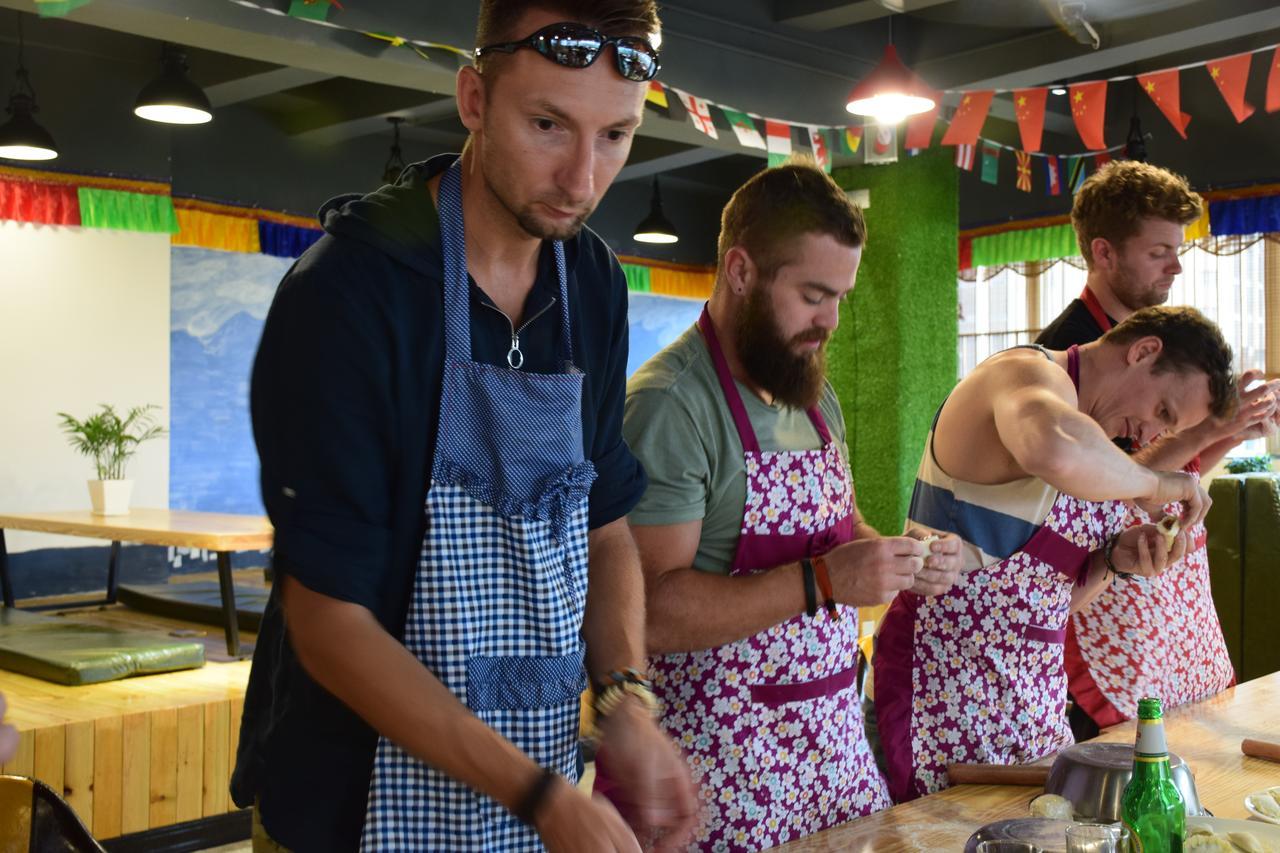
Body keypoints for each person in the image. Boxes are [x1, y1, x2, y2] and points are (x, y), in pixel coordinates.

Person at [231, 2, 697, 850]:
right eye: (549, 125)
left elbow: (603, 524)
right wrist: (543, 797)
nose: (583, 178)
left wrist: (626, 696)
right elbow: (329, 624)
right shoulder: (350, 293)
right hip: (351, 804)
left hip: (533, 781)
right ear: (475, 99)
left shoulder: (591, 281)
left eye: (617, 135)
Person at [603, 161, 964, 850]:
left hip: (834, 754)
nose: (829, 320)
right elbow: (648, 611)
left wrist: (895, 559)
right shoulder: (670, 405)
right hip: (721, 775)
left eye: (840, 298)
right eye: (812, 294)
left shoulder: (811, 391)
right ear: (740, 270)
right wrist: (824, 582)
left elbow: (838, 528)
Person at [874, 305, 1237, 802]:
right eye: (1164, 413)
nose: (1153, 435)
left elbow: (1044, 608)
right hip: (939, 694)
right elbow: (1056, 449)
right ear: (1144, 351)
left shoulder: (1104, 442)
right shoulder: (1022, 375)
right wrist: (1156, 481)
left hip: (1034, 705)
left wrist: (1113, 562)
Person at [1036, 160, 1279, 737]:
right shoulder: (1059, 359)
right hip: (1094, 606)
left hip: (1162, 603)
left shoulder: (1165, 340)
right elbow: (1096, 486)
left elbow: (1179, 480)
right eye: (1159, 252)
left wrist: (1230, 430)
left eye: (1178, 249)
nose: (1176, 266)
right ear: (1105, 252)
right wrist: (1202, 431)